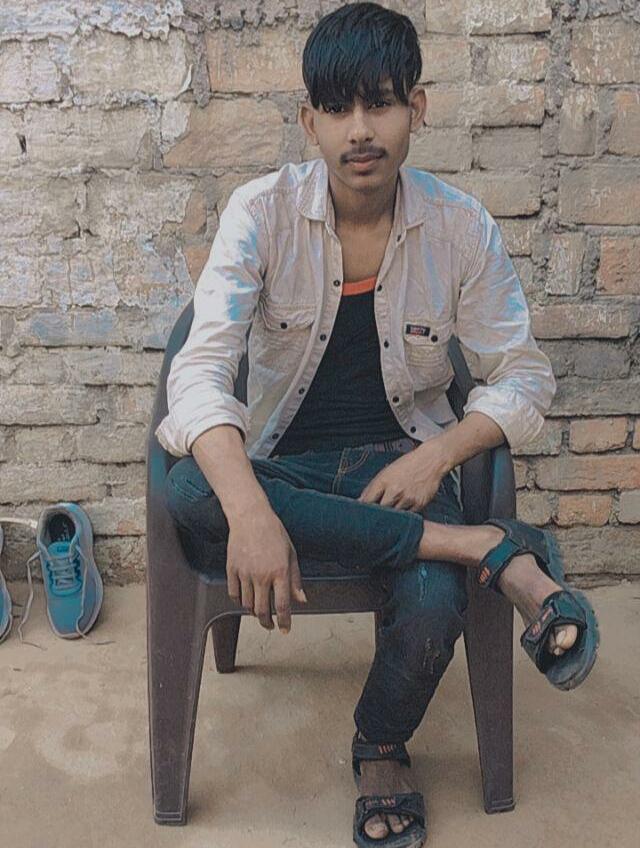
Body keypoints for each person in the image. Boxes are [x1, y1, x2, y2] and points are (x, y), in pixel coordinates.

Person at [155, 4, 600, 845]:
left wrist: (439, 456)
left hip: (401, 463)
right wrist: (251, 510)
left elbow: (524, 376)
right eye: (338, 109)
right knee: (194, 491)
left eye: (382, 103)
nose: (360, 130)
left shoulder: (460, 227)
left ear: (416, 109)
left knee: (433, 605)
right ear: (310, 123)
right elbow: (199, 373)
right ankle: (485, 546)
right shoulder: (260, 214)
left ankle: (381, 743)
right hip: (288, 467)